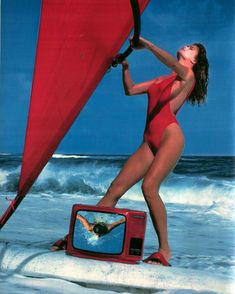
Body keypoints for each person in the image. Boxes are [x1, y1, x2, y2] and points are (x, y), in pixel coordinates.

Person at [97, 37, 209, 266]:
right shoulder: (162, 80)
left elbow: (171, 64)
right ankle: (81, 234)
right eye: (187, 45)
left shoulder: (188, 76)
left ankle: (164, 251)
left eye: (191, 48)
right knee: (115, 189)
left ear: (194, 61)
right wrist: (125, 66)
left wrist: (147, 45)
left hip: (170, 136)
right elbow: (130, 90)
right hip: (148, 140)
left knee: (149, 187)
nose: (186, 46)